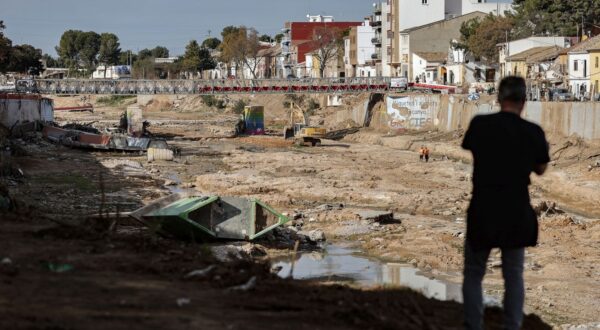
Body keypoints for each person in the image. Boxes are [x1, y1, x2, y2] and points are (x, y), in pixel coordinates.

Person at [461, 76, 550, 330]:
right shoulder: (533, 132)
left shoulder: (480, 124)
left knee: (474, 273)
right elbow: (541, 168)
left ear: (498, 99)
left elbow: (472, 148)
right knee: (513, 276)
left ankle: (472, 325)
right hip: (516, 211)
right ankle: (512, 326)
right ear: (524, 101)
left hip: (483, 209)